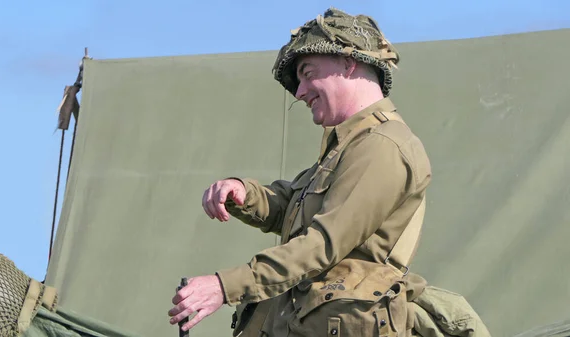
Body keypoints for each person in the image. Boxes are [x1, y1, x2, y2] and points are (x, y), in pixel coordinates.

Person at [168, 7, 432, 336]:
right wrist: (244, 193)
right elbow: (294, 207)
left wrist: (225, 286)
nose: (300, 91)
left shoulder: (383, 146)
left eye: (308, 73)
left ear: (348, 63)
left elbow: (321, 244)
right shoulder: (347, 147)